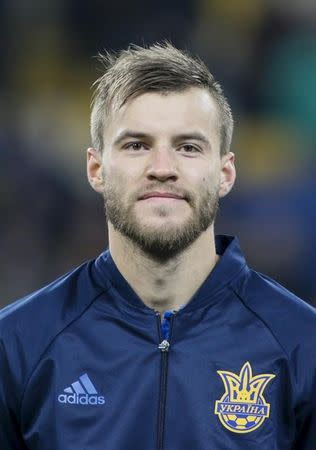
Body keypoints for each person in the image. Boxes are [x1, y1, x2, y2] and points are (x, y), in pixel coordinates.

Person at [0, 42, 315, 450]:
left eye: (188, 147)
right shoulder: (17, 345)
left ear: (225, 172)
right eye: (136, 145)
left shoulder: (302, 345)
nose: (162, 169)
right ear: (96, 170)